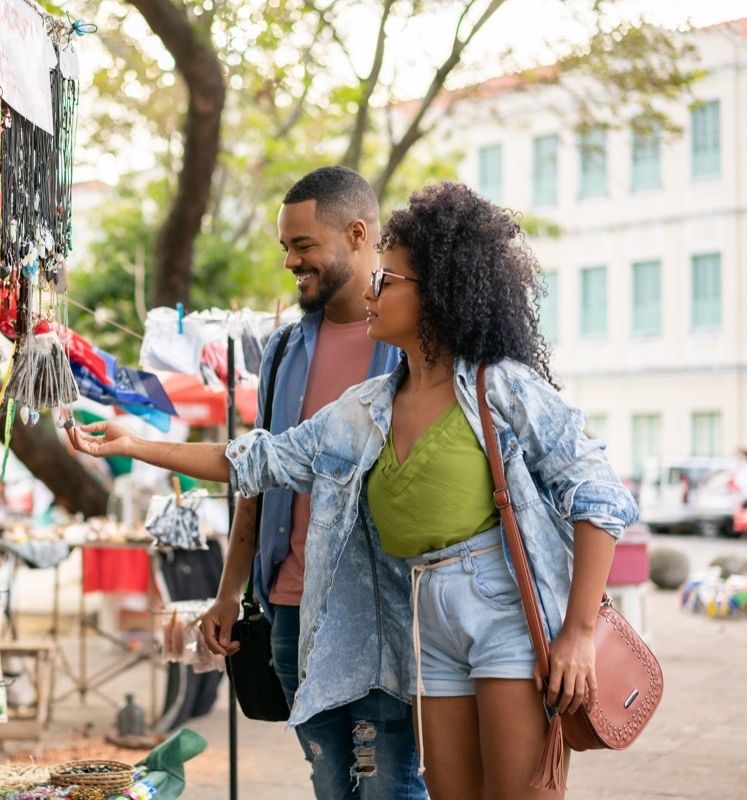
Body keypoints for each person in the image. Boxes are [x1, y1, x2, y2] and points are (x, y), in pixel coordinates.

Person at [67, 182, 638, 799]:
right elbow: (261, 458)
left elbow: (598, 495)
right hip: (424, 620)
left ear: (436, 295)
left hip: (503, 611)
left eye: (386, 282)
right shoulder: (368, 408)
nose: (372, 291)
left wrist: (577, 632)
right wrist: (135, 443)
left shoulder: (499, 388)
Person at [198, 166, 423, 799]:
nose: (292, 262)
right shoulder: (282, 350)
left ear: (357, 234)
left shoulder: (409, 344)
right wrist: (229, 592)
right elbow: (258, 474)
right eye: (286, 248)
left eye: (303, 245)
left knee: (391, 784)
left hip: (381, 607)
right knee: (329, 781)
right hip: (290, 609)